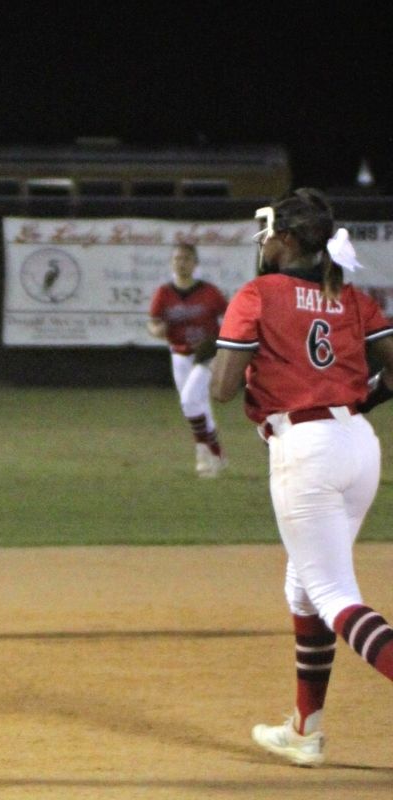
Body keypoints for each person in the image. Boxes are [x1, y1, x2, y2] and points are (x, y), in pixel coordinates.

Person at [211, 188, 393, 767]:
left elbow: (221, 386)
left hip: (304, 447)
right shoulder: (354, 298)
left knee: (335, 596)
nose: (262, 241)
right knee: (304, 588)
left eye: (268, 232)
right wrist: (359, 402)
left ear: (288, 238)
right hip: (357, 445)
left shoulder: (258, 293)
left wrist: (248, 339)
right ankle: (304, 730)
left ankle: (306, 730)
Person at [147, 243, 229, 477]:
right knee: (197, 405)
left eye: (186, 258)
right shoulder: (164, 293)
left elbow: (230, 315)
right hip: (180, 354)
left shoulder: (210, 292)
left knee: (190, 400)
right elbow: (153, 321)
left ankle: (204, 454)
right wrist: (156, 329)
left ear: (195, 263)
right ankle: (217, 453)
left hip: (207, 353)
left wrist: (224, 339)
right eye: (177, 258)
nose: (181, 262)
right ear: (172, 263)